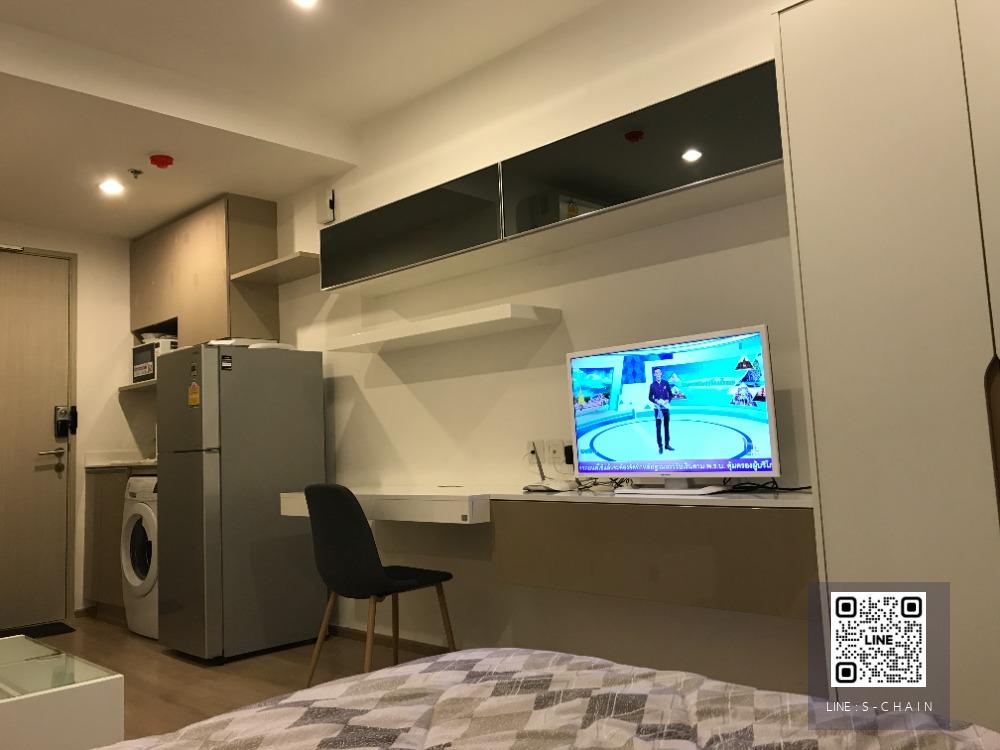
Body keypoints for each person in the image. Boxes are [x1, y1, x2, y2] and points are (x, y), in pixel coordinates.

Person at [648, 367, 673, 453]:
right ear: (654, 374)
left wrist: (667, 400)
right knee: (658, 428)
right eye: (656, 373)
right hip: (657, 409)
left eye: (659, 372)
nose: (657, 374)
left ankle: (667, 445)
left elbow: (671, 395)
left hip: (665, 408)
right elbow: (649, 397)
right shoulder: (652, 385)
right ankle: (660, 446)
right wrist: (655, 401)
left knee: (666, 427)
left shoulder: (666, 383)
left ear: (661, 373)